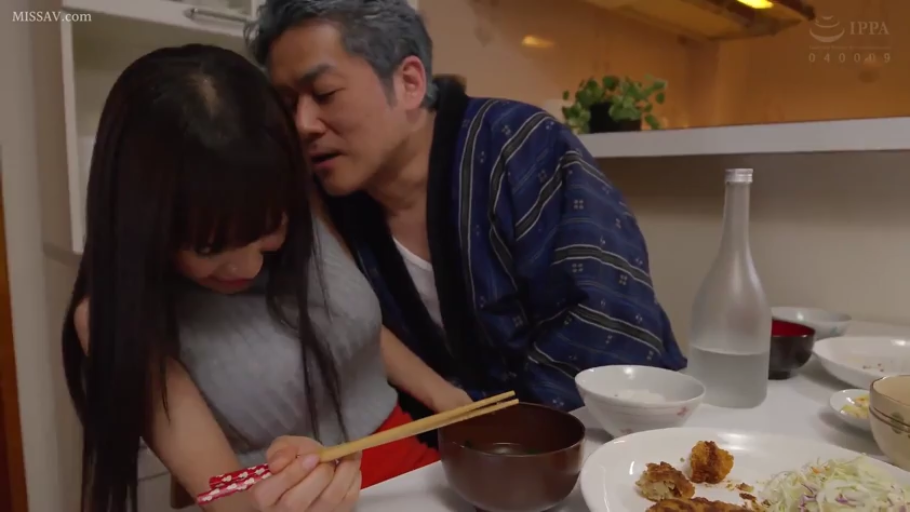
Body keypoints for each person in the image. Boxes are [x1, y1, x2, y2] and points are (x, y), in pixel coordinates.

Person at [61, 44, 462, 512]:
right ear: (146, 225)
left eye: (270, 231)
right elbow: (226, 497)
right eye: (210, 249)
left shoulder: (295, 200)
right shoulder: (112, 316)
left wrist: (447, 397)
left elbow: (348, 322)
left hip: (418, 472)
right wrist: (283, 498)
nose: (249, 267)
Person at [246, 0, 687, 422]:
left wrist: (503, 440)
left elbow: (605, 327)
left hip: (611, 437)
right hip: (453, 453)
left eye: (324, 93)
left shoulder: (523, 148)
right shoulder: (327, 204)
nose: (303, 123)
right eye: (288, 103)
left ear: (409, 82)